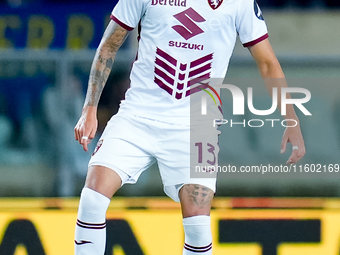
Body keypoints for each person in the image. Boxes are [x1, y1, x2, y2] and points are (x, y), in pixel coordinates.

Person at [74, 0, 306, 254]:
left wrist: (291, 119)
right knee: (92, 198)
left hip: (198, 124)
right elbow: (110, 43)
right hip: (137, 114)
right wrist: (89, 108)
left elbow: (267, 62)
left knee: (197, 224)